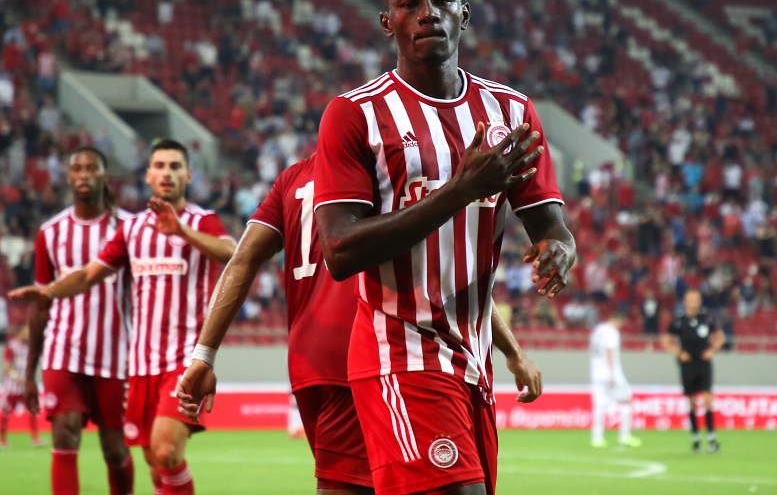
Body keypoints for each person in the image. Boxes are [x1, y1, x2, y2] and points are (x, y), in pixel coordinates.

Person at [313, 0, 576, 495]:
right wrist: (459, 191)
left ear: (464, 14)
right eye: (409, 3)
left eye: (441, 0)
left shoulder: (512, 113)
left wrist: (559, 250)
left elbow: (551, 227)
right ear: (387, 22)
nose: (427, 13)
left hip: (474, 363)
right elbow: (339, 251)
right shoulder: (355, 114)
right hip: (399, 352)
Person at [176, 154, 543, 494]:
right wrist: (513, 351)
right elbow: (441, 275)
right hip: (376, 353)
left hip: (309, 363)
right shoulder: (387, 168)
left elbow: (242, 259)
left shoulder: (292, 178)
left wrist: (204, 355)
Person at [12, 139, 236, 495]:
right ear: (148, 175)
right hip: (141, 365)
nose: (167, 173)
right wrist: (49, 291)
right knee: (154, 461)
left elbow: (231, 252)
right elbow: (89, 274)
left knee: (166, 450)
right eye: (159, 166)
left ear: (189, 175)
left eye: (175, 166)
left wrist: (181, 231)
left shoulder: (202, 220)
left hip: (186, 360)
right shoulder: (132, 230)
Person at [25, 146, 134, 494]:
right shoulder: (50, 232)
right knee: (64, 435)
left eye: (92, 168)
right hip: (62, 352)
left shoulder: (129, 228)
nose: (84, 174)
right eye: (77, 169)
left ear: (105, 175)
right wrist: (29, 373)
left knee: (115, 449)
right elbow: (40, 306)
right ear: (68, 176)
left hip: (115, 356)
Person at [661, 288, 724, 453]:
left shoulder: (707, 318)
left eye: (695, 299)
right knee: (692, 401)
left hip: (703, 363)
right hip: (688, 364)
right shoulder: (679, 320)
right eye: (689, 299)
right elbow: (666, 340)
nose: (692, 302)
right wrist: (679, 353)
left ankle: (711, 438)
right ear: (685, 301)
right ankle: (696, 438)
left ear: (699, 301)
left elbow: (720, 336)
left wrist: (712, 350)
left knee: (708, 398)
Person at [589, 311, 641, 448]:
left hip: (597, 373)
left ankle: (597, 439)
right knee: (626, 400)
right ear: (619, 320)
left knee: (599, 406)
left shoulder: (598, 330)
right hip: (611, 373)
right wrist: (612, 373)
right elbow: (609, 351)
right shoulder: (612, 332)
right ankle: (625, 436)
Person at [1, 326, 43, 448]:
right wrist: (15, 376)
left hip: (25, 387)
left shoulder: (29, 348)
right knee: (6, 412)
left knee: (32, 411)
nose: (29, 335)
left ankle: (35, 439)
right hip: (12, 387)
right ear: (21, 332)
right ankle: (2, 440)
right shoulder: (12, 346)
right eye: (27, 332)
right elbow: (7, 364)